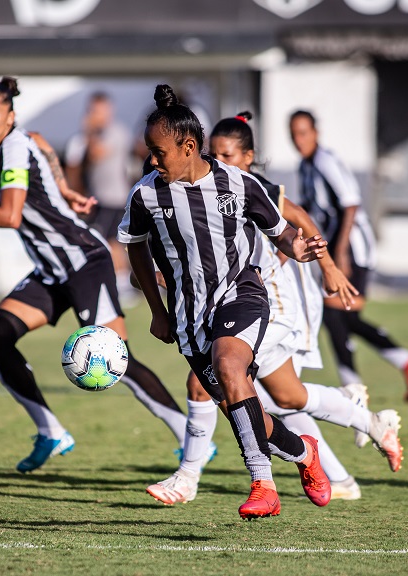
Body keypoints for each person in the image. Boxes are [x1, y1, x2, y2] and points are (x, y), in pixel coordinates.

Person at [0, 77, 189, 473]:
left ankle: (188, 434)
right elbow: (43, 142)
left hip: (83, 261)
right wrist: (64, 189)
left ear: (9, 115)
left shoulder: (11, 148)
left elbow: (10, 215)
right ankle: (51, 431)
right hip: (51, 270)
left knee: (118, 359)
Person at [145, 112, 403, 507]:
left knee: (220, 380)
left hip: (271, 300)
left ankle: (190, 477)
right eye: (216, 153)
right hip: (223, 303)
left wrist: (329, 265)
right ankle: (355, 433)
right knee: (285, 396)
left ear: (248, 157)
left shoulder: (247, 184)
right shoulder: (178, 187)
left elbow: (298, 221)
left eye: (228, 154)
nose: (220, 161)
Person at [120, 85, 336, 520]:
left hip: (241, 293)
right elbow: (135, 248)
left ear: (188, 146)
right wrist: (159, 312)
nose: (153, 160)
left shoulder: (239, 184)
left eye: (160, 152)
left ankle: (263, 485)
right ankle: (304, 452)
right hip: (187, 316)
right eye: (150, 152)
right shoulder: (146, 194)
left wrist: (301, 249)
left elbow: (282, 234)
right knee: (242, 408)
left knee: (230, 367)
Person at [289, 110, 408, 420]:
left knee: (336, 314)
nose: (298, 139)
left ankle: (357, 393)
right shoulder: (306, 166)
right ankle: (403, 365)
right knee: (343, 317)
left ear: (316, 132)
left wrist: (340, 253)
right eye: (294, 133)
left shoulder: (325, 161)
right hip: (339, 248)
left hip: (353, 248)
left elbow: (350, 204)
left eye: (303, 132)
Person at [65, 92, 136, 302]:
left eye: (97, 110)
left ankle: (121, 285)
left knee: (106, 240)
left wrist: (88, 131)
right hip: (100, 197)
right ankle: (121, 285)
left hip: (113, 197)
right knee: (111, 241)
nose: (93, 115)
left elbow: (97, 154)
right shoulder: (93, 135)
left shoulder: (116, 132)